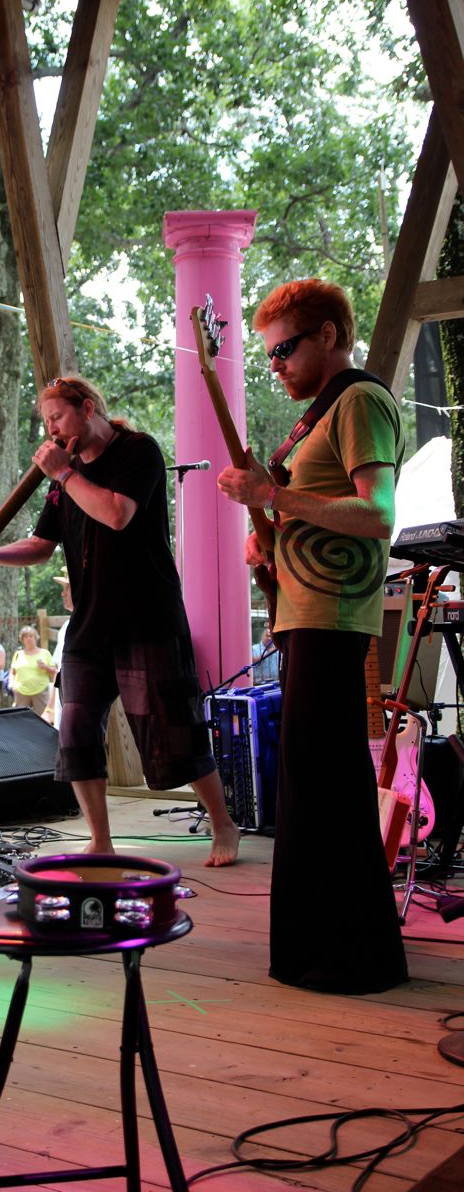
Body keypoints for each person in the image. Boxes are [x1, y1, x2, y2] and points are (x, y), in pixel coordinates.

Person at [0, 375, 239, 864]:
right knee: (76, 732)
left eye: (57, 417)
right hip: (90, 624)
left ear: (87, 408)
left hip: (147, 618)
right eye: (46, 422)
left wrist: (65, 475)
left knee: (174, 731)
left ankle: (223, 824)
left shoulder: (138, 451)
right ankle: (100, 840)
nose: (51, 429)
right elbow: (42, 546)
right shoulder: (64, 478)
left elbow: (116, 514)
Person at [217, 277, 408, 994]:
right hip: (305, 615)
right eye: (268, 354)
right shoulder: (318, 415)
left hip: (332, 617)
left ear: (328, 335)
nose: (275, 365)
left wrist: (272, 496)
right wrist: (270, 536)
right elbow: (310, 512)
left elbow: (377, 514)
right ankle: (316, 950)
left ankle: (354, 957)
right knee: (311, 784)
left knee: (326, 785)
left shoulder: (358, 400)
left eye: (284, 349)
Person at [43, 575, 72, 729]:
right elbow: (59, 673)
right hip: (63, 711)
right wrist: (49, 708)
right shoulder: (66, 627)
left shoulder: (90, 626)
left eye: (67, 588)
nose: (62, 593)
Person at [9, 625, 55, 715]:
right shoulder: (18, 654)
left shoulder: (45, 653)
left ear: (36, 638)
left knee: (42, 718)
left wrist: (46, 667)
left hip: (40, 691)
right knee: (20, 718)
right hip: (21, 692)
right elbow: (12, 672)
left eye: (31, 636)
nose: (29, 639)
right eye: (26, 637)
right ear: (22, 639)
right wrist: (12, 684)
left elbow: (54, 672)